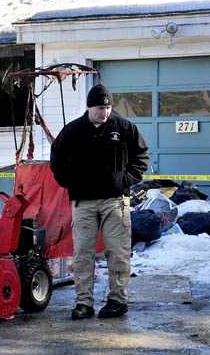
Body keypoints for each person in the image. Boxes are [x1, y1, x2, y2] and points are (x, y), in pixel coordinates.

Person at [50, 84, 149, 320]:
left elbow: (141, 156)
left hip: (115, 202)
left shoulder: (124, 128)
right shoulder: (73, 131)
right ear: (89, 107)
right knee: (83, 254)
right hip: (84, 203)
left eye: (107, 107)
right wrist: (71, 183)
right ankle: (84, 303)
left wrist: (125, 180)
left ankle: (117, 301)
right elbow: (57, 160)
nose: (104, 112)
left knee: (118, 253)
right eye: (99, 108)